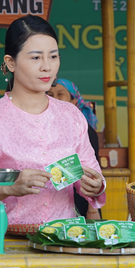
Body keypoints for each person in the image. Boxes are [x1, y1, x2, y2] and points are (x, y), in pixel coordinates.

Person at [0, 15, 106, 224]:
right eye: (35, 58)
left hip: (63, 241)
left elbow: (93, 174)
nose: (47, 67)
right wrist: (7, 188)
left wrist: (95, 186)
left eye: (53, 56)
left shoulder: (71, 117)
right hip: (5, 242)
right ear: (10, 63)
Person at [47, 78, 101, 220]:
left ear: (74, 102)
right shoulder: (44, 128)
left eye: (60, 94)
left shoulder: (85, 131)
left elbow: (93, 172)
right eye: (50, 95)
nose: (55, 99)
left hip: (80, 199)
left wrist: (92, 210)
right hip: (49, 201)